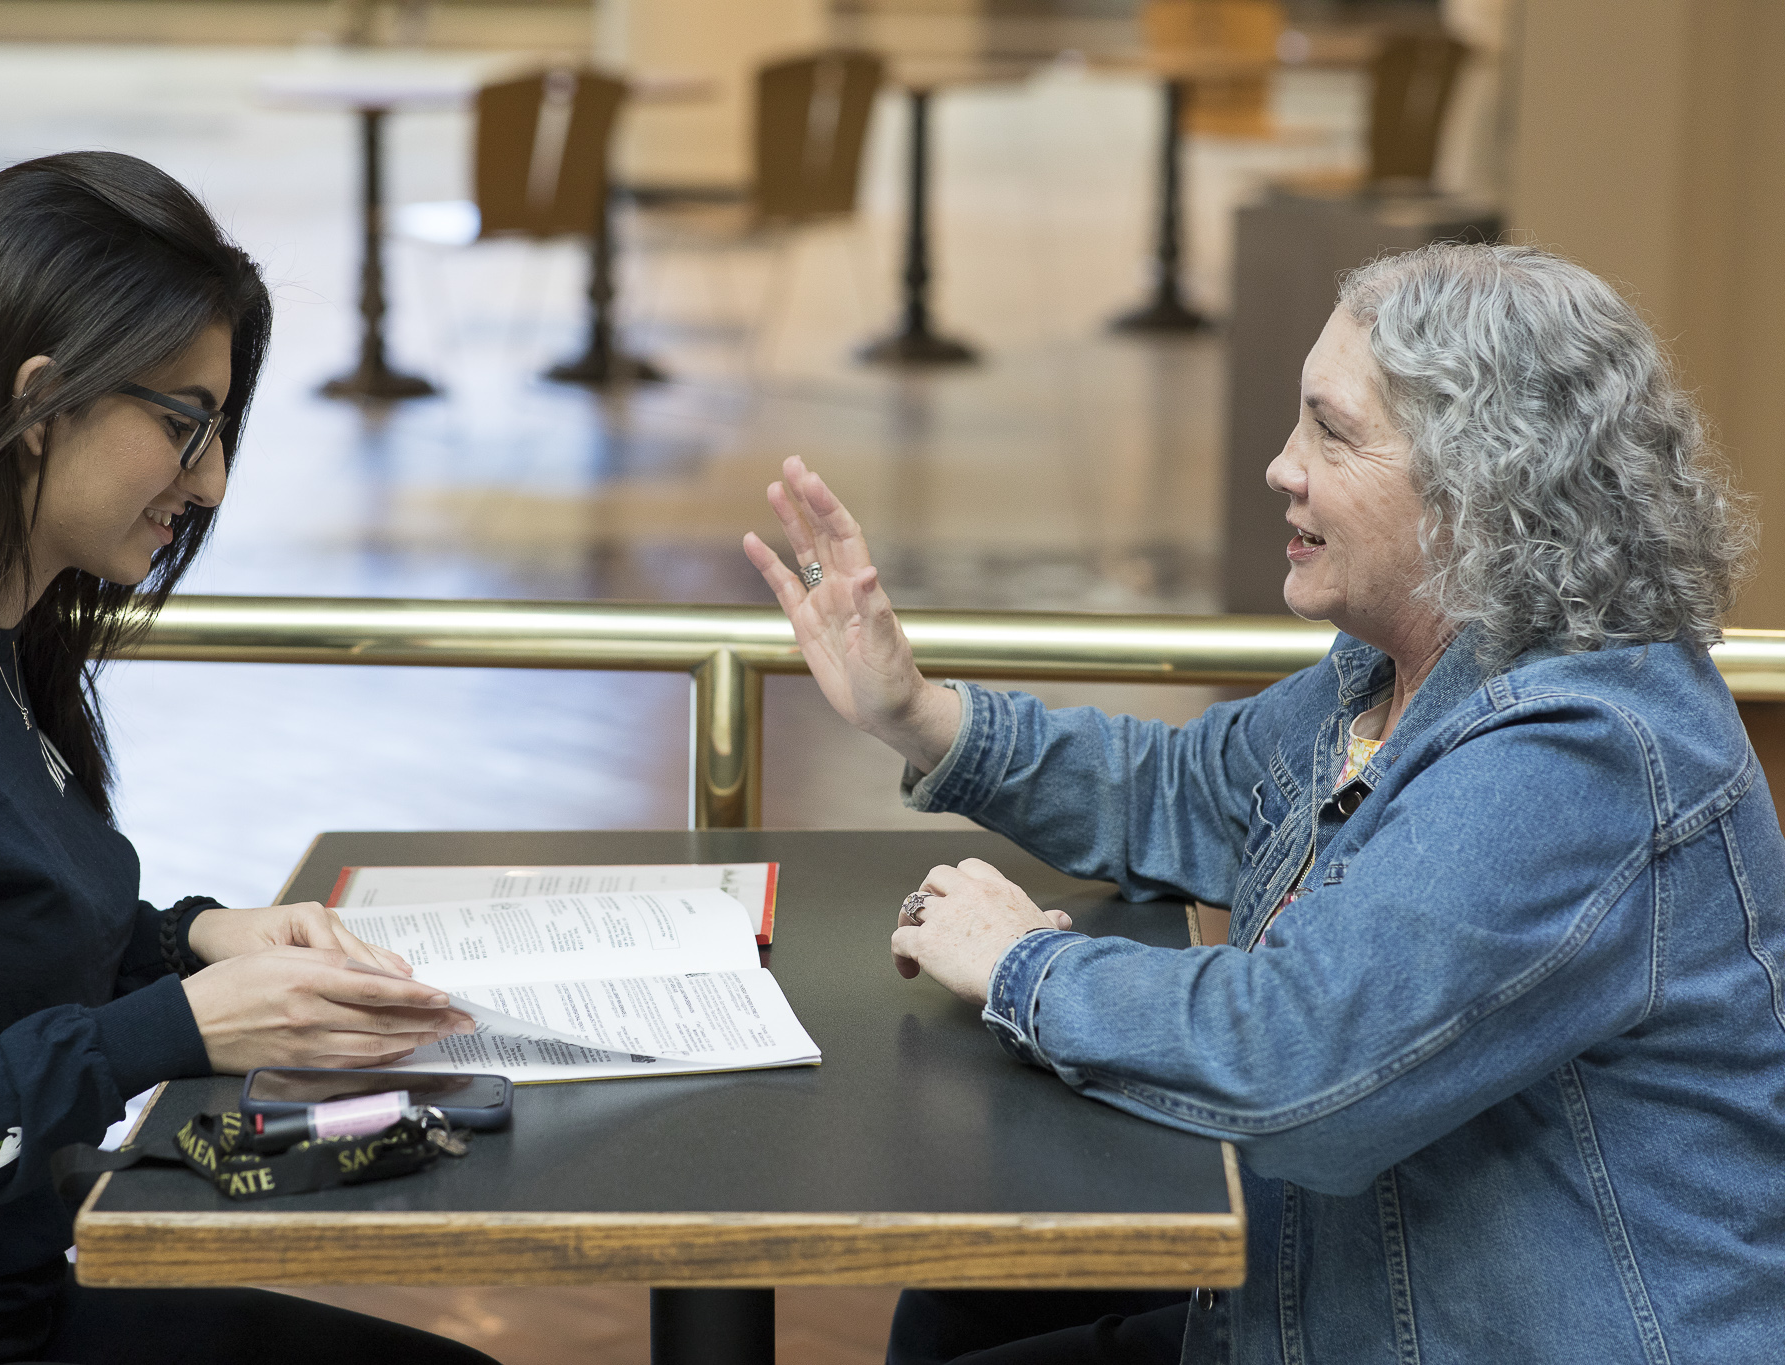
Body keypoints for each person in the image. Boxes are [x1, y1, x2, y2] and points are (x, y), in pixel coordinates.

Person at [744, 242, 1785, 1364]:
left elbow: (1301, 1065)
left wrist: (1018, 967)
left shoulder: (1577, 753)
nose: (1279, 467)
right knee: (960, 1309)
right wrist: (915, 713)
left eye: (1330, 433)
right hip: (1344, 1310)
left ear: (1482, 480)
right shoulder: (1390, 673)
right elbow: (1183, 789)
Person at [0, 153, 493, 1365]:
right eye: (183, 425)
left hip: (12, 1295)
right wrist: (176, 1026)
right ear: (41, 402)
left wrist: (186, 940)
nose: (210, 482)